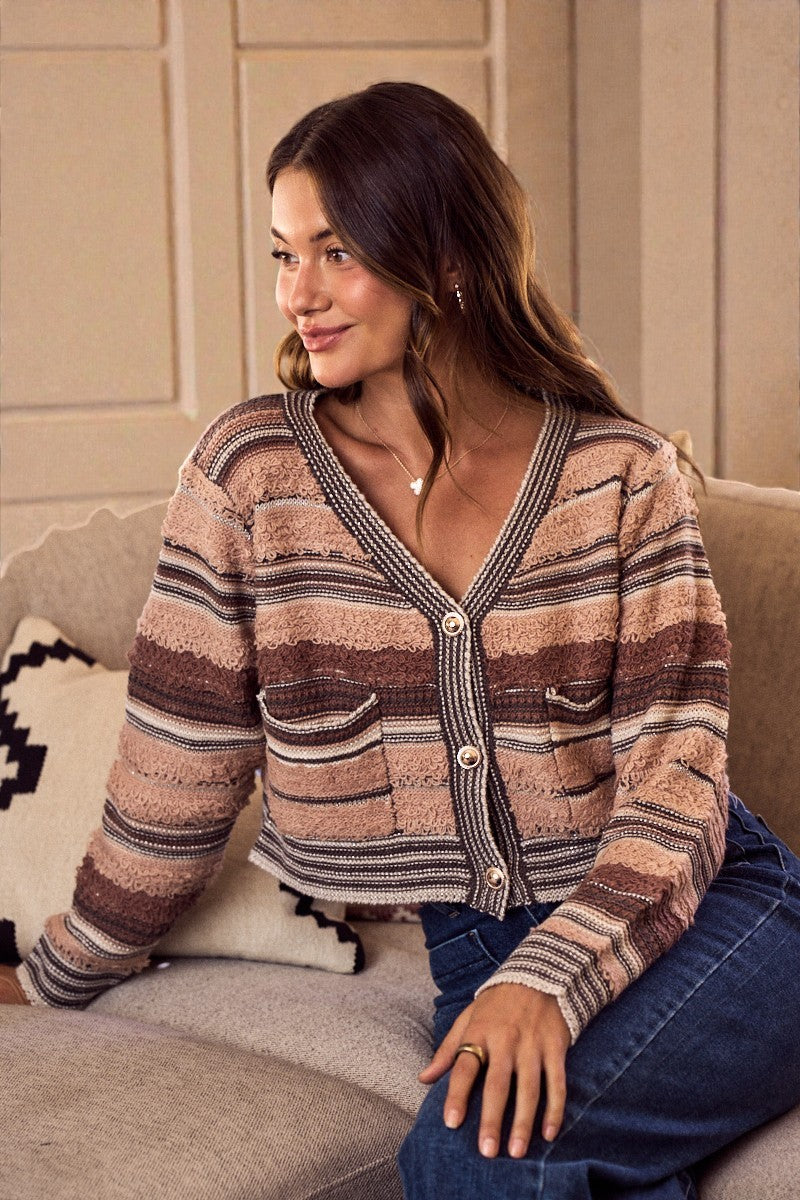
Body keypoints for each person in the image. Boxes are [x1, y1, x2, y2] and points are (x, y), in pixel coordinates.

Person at [3, 81, 800, 1200]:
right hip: (475, 944)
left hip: (715, 914)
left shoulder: (618, 479)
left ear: (444, 252)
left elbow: (677, 783)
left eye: (334, 252)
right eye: (283, 255)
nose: (298, 294)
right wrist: (60, 970)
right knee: (520, 1166)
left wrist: (548, 981)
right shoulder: (249, 483)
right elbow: (172, 784)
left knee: (462, 1161)